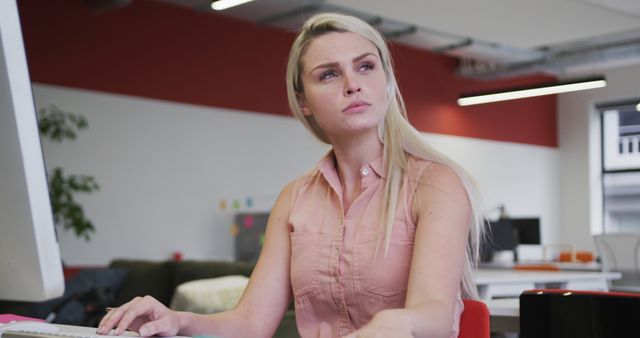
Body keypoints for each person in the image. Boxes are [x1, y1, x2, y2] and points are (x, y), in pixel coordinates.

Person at [97, 12, 485, 338]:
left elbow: (434, 312)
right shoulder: (294, 198)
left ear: (386, 82)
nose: (353, 85)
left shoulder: (434, 185)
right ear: (304, 101)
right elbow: (250, 322)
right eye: (329, 75)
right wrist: (177, 319)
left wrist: (394, 322)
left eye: (366, 66)